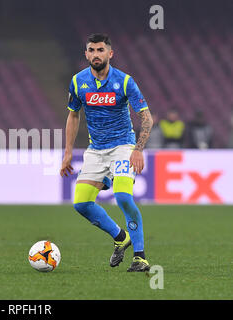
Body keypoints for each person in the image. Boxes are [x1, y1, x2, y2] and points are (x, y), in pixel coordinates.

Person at [60, 33, 153, 272]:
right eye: (91, 50)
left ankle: (140, 257)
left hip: (123, 146)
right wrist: (68, 152)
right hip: (96, 150)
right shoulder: (78, 81)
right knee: (81, 204)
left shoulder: (124, 81)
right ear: (86, 54)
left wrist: (138, 150)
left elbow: (146, 118)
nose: (95, 54)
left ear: (110, 54)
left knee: (123, 197)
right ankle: (121, 237)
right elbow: (73, 115)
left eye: (100, 50)